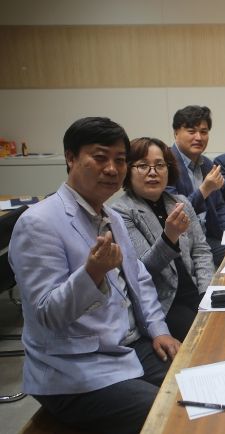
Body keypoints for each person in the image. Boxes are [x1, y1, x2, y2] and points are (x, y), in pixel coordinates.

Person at [9, 117, 180, 434]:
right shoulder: (38, 223)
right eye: (100, 157)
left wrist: (158, 329)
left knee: (195, 382)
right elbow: (46, 315)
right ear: (70, 157)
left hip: (127, 346)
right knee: (168, 414)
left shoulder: (111, 216)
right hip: (73, 367)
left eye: (120, 160)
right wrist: (92, 273)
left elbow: (140, 280)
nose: (112, 169)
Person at [112, 137, 214, 341]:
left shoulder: (179, 202)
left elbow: (201, 251)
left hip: (195, 289)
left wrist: (207, 293)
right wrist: (169, 237)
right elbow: (142, 269)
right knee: (205, 338)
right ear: (128, 170)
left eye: (159, 165)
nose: (153, 172)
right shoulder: (122, 211)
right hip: (164, 302)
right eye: (143, 166)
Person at [167, 105, 225, 267]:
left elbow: (220, 207)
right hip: (181, 243)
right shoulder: (166, 164)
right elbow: (173, 214)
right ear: (176, 133)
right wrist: (204, 189)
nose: (198, 137)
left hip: (207, 237)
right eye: (191, 131)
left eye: (204, 132)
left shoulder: (207, 165)